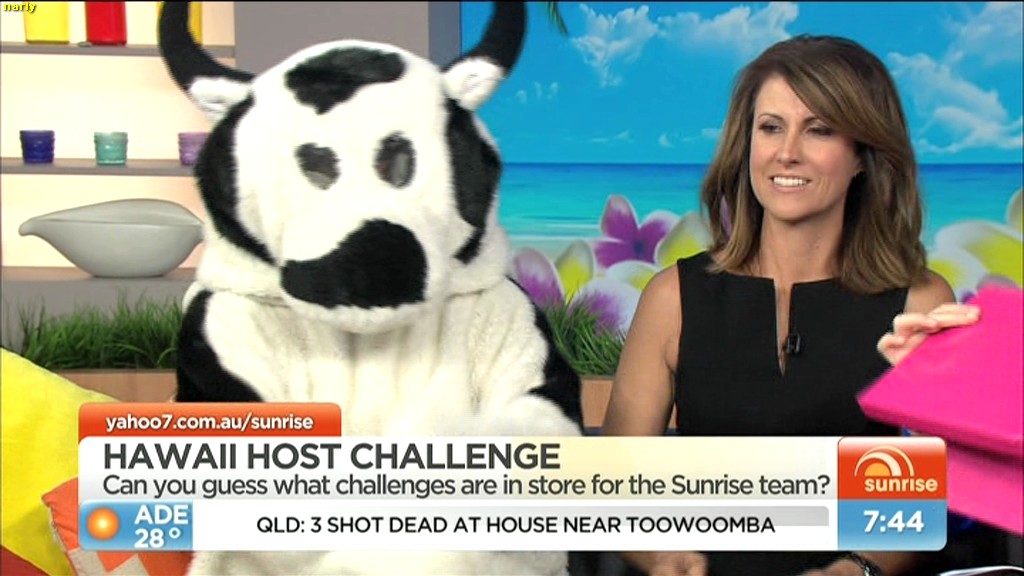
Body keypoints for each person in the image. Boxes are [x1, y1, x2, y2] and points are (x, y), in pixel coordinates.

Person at [602, 34, 981, 576]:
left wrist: (855, 569)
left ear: (862, 155)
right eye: (771, 127)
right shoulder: (672, 299)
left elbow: (932, 501)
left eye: (819, 129)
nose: (787, 152)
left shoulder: (919, 303)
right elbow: (617, 488)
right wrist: (662, 557)